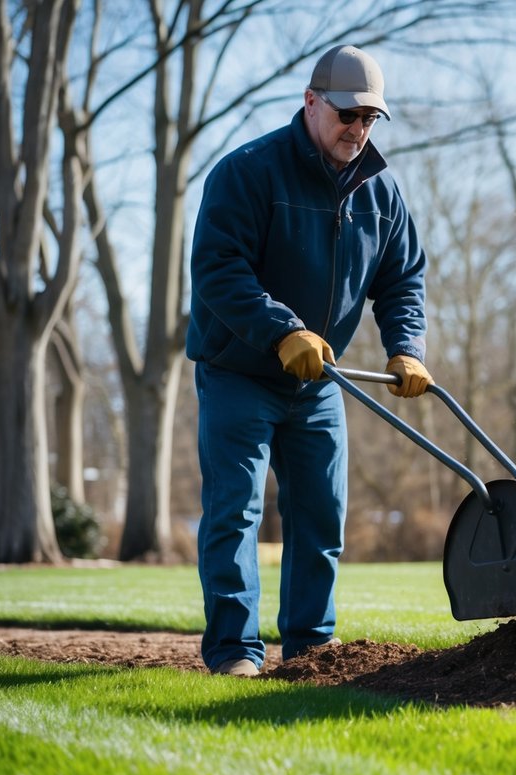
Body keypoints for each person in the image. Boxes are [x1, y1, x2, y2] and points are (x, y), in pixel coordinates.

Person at [187, 44, 433, 677]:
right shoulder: (248, 172)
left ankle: (309, 653)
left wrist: (406, 348)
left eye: (370, 119)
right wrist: (282, 330)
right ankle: (235, 653)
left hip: (320, 381)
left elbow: (403, 278)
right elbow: (218, 267)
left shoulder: (382, 191)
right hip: (240, 372)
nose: (358, 129)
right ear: (311, 102)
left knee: (321, 516)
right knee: (236, 511)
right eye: (347, 115)